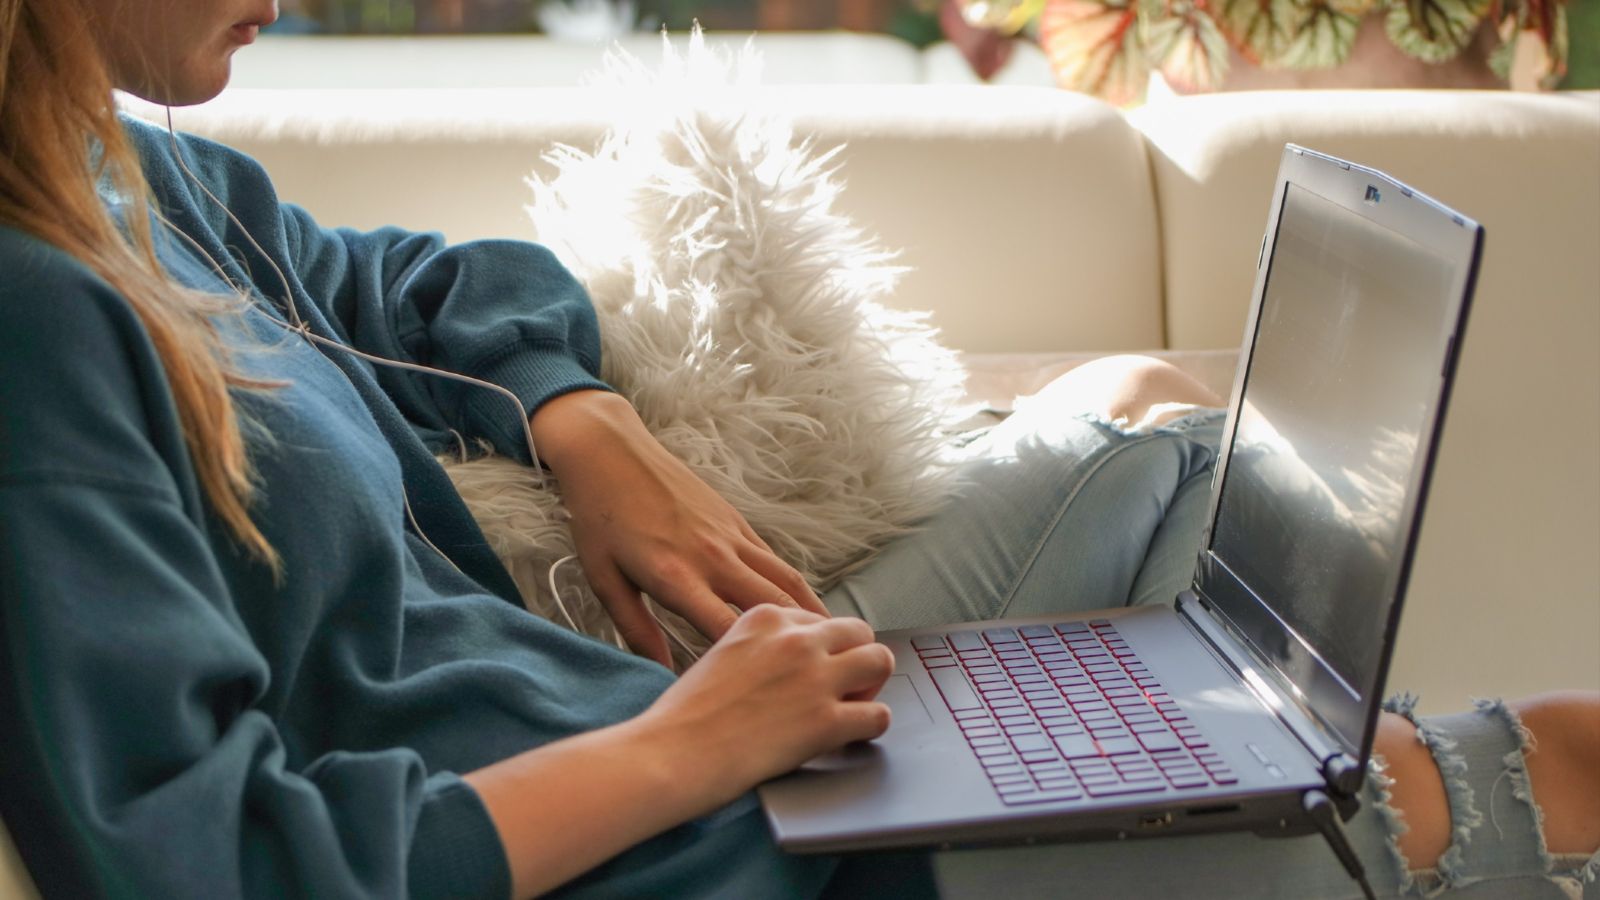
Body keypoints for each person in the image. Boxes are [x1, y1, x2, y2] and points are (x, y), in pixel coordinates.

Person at [0, 0, 1593, 897]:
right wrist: (691, 747)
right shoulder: (37, 319)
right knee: (1514, 774)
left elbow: (412, 283)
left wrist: (587, 425)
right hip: (676, 845)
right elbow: (199, 870)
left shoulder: (130, 175)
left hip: (703, 745)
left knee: (1177, 458)